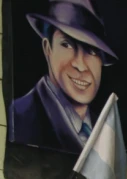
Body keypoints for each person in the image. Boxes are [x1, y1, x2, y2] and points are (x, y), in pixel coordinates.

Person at [9, 0, 117, 154]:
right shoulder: (19, 119)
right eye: (67, 44)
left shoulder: (106, 132)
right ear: (48, 49)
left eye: (92, 51)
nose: (80, 65)